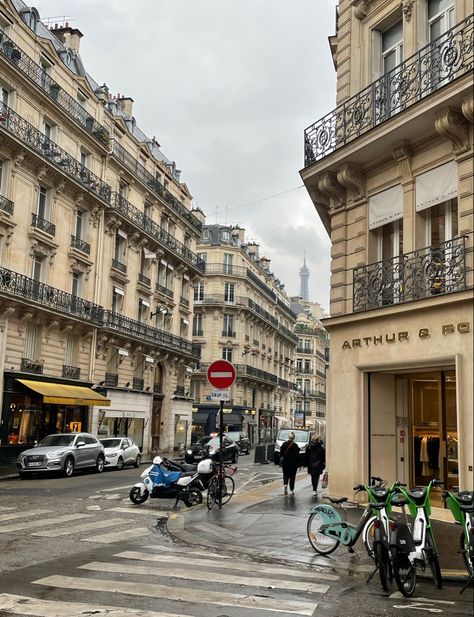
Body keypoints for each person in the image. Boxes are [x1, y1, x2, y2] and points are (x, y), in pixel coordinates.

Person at [280, 431, 300, 495]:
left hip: (285, 463)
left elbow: (281, 454)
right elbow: (297, 456)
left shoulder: (284, 444)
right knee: (292, 477)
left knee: (285, 475)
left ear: (288, 437)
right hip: (293, 464)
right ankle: (292, 489)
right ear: (294, 438)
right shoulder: (295, 445)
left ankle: (285, 484)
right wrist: (298, 464)